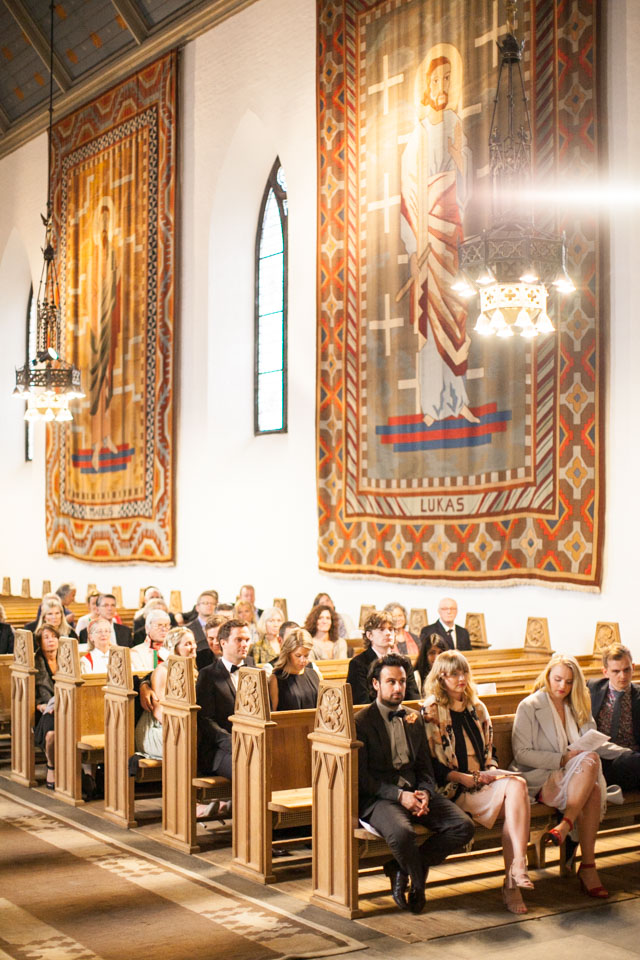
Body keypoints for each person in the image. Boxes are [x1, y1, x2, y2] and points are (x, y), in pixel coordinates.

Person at [356, 653, 474, 913]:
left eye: (401, 681)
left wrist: (425, 793)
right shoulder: (361, 722)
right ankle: (418, 885)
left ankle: (400, 868)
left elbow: (425, 767)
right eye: (391, 682)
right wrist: (400, 796)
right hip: (380, 798)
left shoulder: (414, 717)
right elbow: (363, 779)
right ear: (376, 684)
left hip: (415, 790)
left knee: (463, 826)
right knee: (403, 833)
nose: (398, 687)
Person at [422, 651, 533, 914]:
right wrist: (466, 778)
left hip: (483, 783)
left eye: (464, 673)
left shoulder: (477, 708)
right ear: (441, 677)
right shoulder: (432, 710)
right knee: (517, 804)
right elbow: (431, 764)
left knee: (518, 786)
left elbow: (490, 751)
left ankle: (516, 871)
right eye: (454, 674)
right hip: (454, 788)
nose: (461, 679)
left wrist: (491, 771)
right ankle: (514, 878)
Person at [400, 46, 476, 426]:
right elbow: (409, 189)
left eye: (448, 78)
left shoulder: (455, 124)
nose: (442, 85)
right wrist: (415, 245)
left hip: (451, 228)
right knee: (431, 319)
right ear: (427, 86)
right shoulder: (418, 135)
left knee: (455, 311)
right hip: (427, 230)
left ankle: (458, 399)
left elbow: (466, 184)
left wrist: (460, 160)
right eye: (436, 80)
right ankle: (431, 405)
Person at [511, 654, 609, 898]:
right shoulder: (529, 706)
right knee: (593, 785)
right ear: (547, 676)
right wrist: (562, 759)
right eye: (557, 679)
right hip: (540, 776)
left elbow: (590, 741)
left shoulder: (577, 705)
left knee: (592, 773)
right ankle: (587, 864)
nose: (562, 686)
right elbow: (521, 753)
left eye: (569, 681)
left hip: (575, 775)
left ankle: (568, 829)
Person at [196, 618, 255, 780]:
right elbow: (205, 720)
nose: (244, 644)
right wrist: (231, 742)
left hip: (252, 743)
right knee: (247, 768)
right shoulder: (208, 674)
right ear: (223, 643)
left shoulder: (253, 670)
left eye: (247, 640)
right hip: (219, 749)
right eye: (239, 640)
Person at [134, 628, 198, 759]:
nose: (194, 647)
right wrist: (182, 730)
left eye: (193, 642)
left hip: (183, 724)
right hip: (159, 727)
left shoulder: (193, 670)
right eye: (187, 644)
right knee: (187, 746)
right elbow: (159, 711)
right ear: (175, 648)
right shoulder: (163, 671)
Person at [587, 643, 640, 791]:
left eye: (626, 670)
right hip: (601, 758)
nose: (622, 676)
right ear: (605, 672)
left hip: (631, 761)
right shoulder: (592, 688)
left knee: (627, 762)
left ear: (633, 667)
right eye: (616, 671)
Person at [348, 611, 419, 705]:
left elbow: (413, 699)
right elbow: (361, 703)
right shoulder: (358, 664)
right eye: (381, 629)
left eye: (391, 629)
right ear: (369, 635)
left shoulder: (404, 662)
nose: (388, 633)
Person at [268, 629, 320, 711]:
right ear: (288, 653)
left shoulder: (314, 674)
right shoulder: (276, 679)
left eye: (306, 656)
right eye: (298, 656)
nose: (303, 660)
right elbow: (272, 714)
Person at [34, 625, 60, 789]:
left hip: (66, 706)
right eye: (46, 637)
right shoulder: (34, 663)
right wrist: (40, 706)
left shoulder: (68, 658)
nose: (51, 640)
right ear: (39, 642)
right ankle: (51, 766)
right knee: (51, 734)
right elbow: (27, 693)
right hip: (42, 710)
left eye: (54, 636)